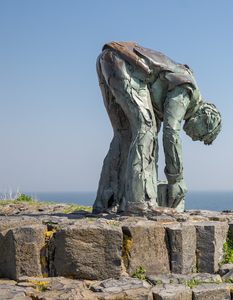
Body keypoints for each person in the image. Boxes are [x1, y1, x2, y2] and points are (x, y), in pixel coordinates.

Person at [92, 41, 222, 214]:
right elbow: (171, 134)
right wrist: (176, 181)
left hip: (108, 59)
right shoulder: (187, 92)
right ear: (206, 121)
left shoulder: (165, 98)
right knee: (146, 129)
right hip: (127, 62)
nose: (195, 138)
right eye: (202, 136)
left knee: (124, 134)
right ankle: (140, 203)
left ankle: (107, 202)